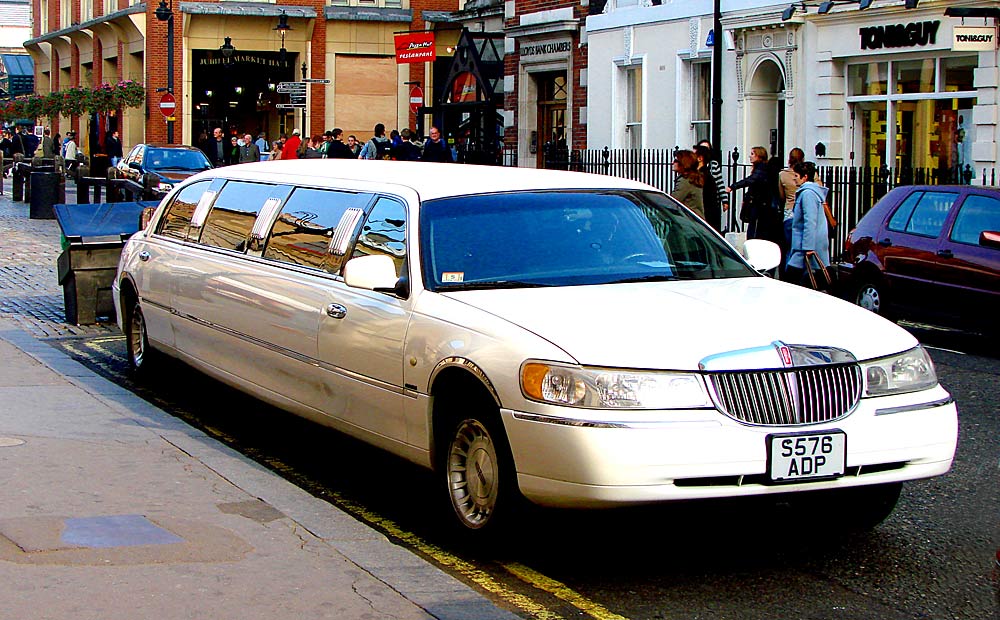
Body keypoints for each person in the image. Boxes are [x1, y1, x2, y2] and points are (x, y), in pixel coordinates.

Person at [784, 161, 831, 289]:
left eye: (796, 175)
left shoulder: (807, 194)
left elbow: (810, 221)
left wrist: (808, 247)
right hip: (805, 246)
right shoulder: (810, 192)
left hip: (804, 247)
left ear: (805, 177)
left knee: (790, 281)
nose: (794, 178)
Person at [726, 146, 770, 239]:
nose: (750, 156)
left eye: (753, 154)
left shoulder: (761, 169)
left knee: (754, 229)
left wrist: (733, 186)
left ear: (759, 156)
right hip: (757, 203)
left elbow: (750, 181)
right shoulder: (760, 168)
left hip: (759, 205)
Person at [777, 147, 806, 264]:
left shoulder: (782, 175)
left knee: (790, 247)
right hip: (804, 212)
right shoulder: (807, 174)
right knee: (803, 248)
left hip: (789, 212)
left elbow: (781, 195)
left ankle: (789, 273)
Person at [670, 149, 705, 219]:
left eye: (676, 161)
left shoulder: (686, 181)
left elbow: (673, 201)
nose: (672, 163)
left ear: (683, 163)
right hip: (695, 221)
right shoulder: (692, 178)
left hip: (689, 221)